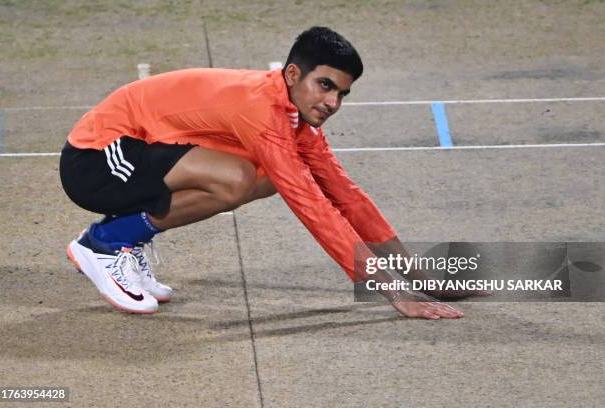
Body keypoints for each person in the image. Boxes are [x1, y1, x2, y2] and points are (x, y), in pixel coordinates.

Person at [60, 26, 476, 318]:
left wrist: (419, 277)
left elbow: (347, 199)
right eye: (325, 85)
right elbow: (312, 208)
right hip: (95, 160)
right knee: (244, 178)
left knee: (261, 177)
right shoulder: (262, 113)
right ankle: (106, 242)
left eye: (342, 93)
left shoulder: (297, 119)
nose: (333, 102)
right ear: (293, 74)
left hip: (143, 151)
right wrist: (392, 291)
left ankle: (119, 237)